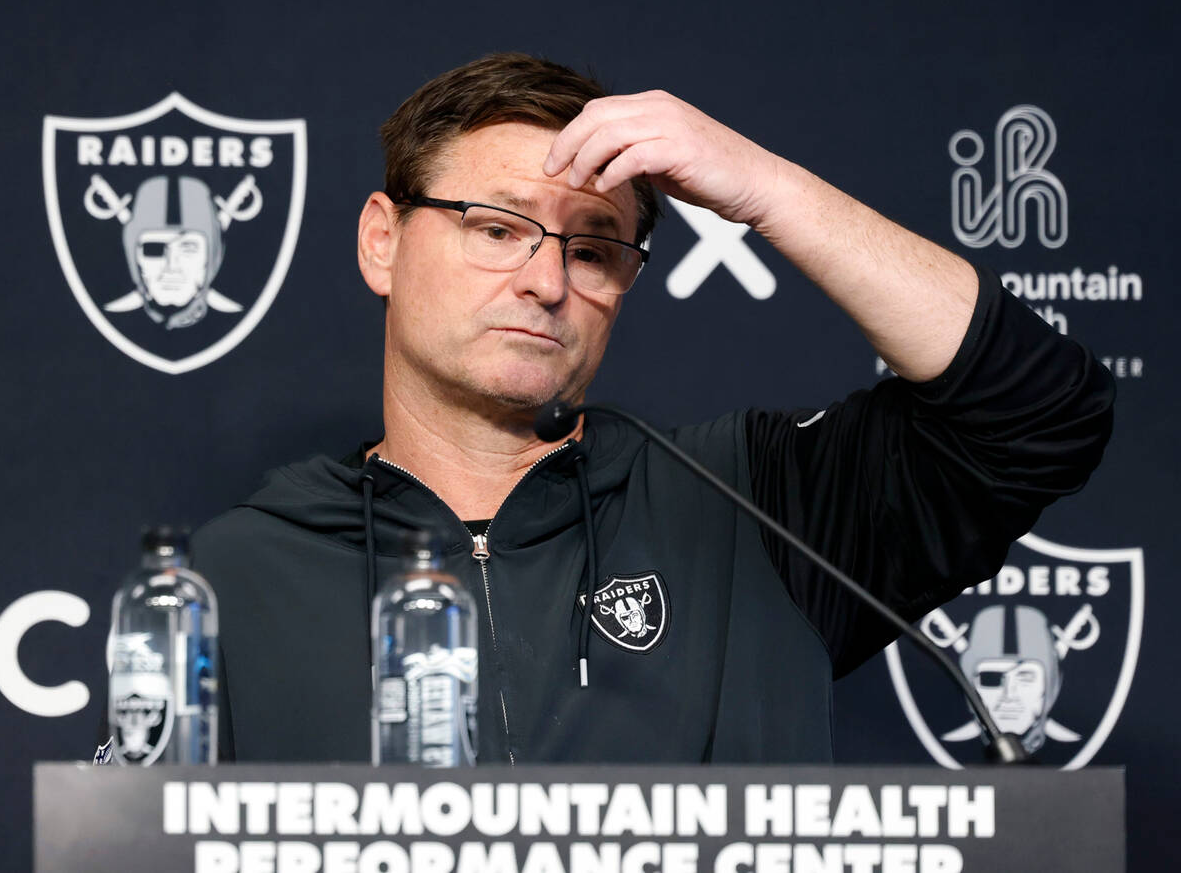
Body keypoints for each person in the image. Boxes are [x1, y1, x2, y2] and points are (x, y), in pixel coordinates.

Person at [98, 53, 1114, 765]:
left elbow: (1038, 414)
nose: (546, 281)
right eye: (497, 229)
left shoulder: (758, 507)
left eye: (592, 250)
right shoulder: (230, 577)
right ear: (383, 242)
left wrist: (765, 190)